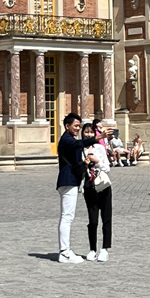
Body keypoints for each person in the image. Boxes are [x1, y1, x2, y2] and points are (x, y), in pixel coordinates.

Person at [56, 113, 108, 264]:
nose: (78, 129)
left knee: (67, 216)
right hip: (68, 181)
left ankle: (65, 251)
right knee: (67, 217)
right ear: (67, 126)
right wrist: (96, 138)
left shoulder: (69, 139)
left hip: (71, 180)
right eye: (76, 126)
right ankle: (64, 252)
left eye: (79, 126)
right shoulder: (66, 139)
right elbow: (78, 144)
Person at [81, 123, 112, 262]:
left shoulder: (100, 148)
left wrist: (97, 161)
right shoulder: (80, 149)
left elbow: (107, 168)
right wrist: (84, 164)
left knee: (106, 218)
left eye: (90, 132)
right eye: (85, 132)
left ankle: (105, 248)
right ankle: (92, 249)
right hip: (89, 186)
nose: (88, 134)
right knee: (92, 221)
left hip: (103, 185)